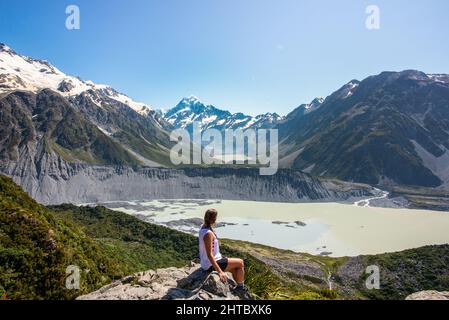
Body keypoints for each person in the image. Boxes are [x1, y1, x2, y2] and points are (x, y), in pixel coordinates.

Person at [198, 208, 251, 299]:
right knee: (240, 262)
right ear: (214, 219)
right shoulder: (208, 234)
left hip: (209, 262)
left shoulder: (203, 227)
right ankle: (240, 288)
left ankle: (238, 286)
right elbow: (209, 254)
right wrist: (220, 272)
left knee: (235, 268)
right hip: (210, 265)